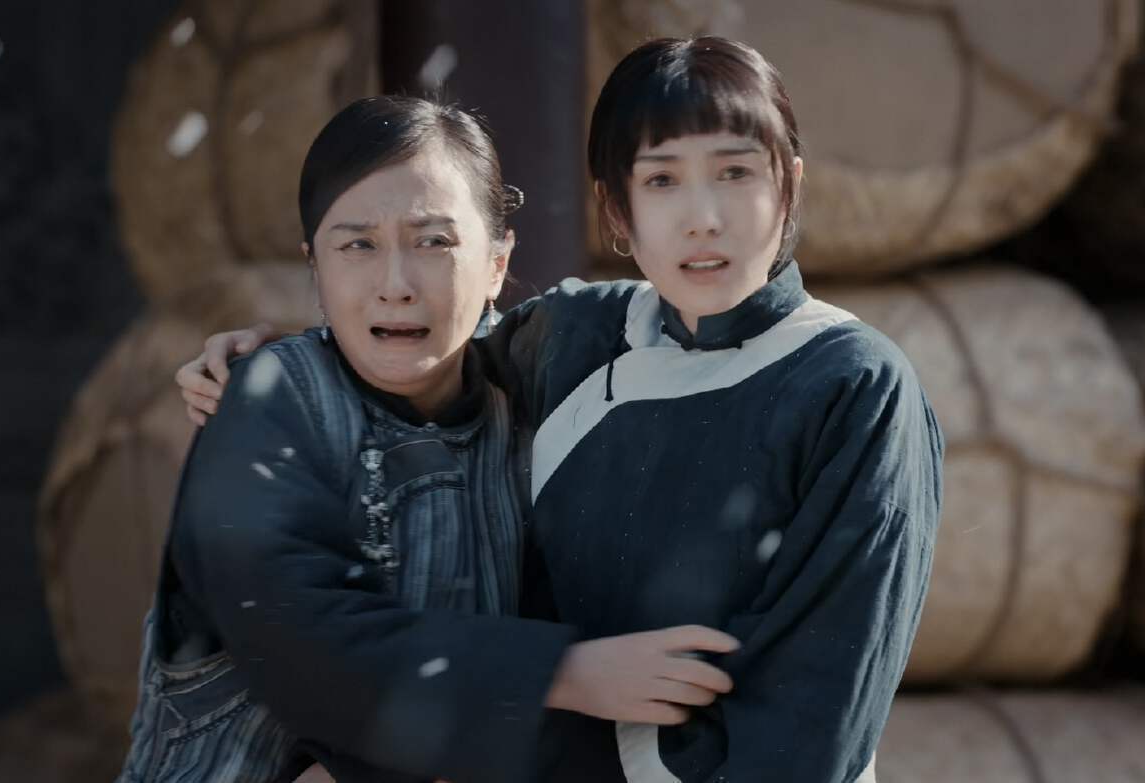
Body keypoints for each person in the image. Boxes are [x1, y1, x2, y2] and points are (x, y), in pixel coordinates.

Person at [182, 37, 943, 782]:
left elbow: (813, 725)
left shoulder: (852, 386)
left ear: (789, 186)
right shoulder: (577, 336)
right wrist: (283, 361)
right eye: (662, 180)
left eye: (736, 173)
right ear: (616, 210)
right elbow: (420, 358)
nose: (704, 217)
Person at [121, 95, 740, 783]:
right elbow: (304, 645)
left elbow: (679, 311)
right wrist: (567, 673)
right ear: (315, 270)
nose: (395, 285)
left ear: (497, 263)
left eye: (434, 242)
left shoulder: (528, 384)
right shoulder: (270, 404)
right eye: (357, 245)